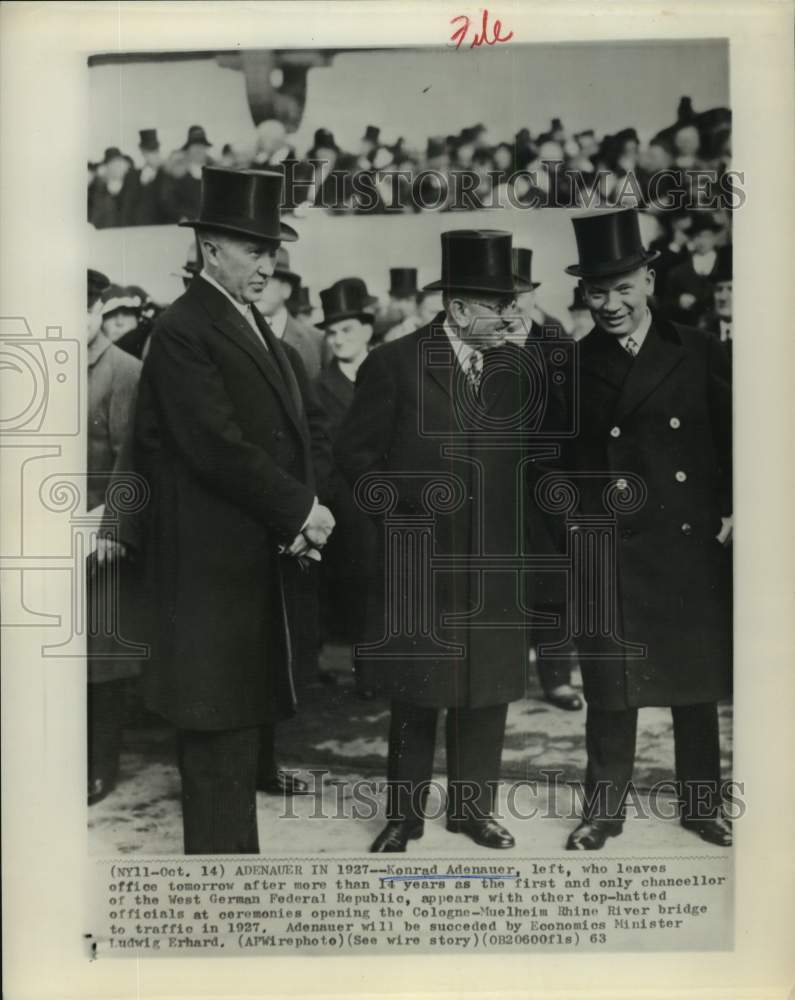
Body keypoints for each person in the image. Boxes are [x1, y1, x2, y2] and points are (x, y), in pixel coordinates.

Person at [130, 167, 336, 853]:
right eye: (254, 249)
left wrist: (298, 511)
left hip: (244, 562)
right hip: (209, 573)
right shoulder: (185, 327)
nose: (267, 263)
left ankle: (229, 879)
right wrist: (300, 510)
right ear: (211, 248)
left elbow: (292, 426)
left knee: (236, 729)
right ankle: (220, 893)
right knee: (216, 734)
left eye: (272, 250)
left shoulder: (243, 321)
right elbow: (215, 445)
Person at [336, 229, 559, 852]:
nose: (511, 314)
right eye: (497, 305)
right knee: (416, 693)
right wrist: (398, 521)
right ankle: (404, 815)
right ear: (458, 308)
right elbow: (353, 459)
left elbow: (537, 461)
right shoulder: (394, 363)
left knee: (486, 691)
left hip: (495, 566)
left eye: (512, 303)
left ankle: (472, 810)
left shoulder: (521, 368)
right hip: (421, 566)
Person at [552, 207, 732, 850]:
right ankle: (604, 810)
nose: (611, 304)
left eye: (623, 288)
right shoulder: (571, 367)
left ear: (649, 282)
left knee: (695, 685)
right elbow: (557, 469)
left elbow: (734, 440)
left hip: (686, 544)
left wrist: (733, 515)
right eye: (597, 292)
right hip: (609, 550)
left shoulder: (699, 350)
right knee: (609, 689)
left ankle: (702, 803)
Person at [507, 248, 582, 712]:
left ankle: (556, 677)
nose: (513, 306)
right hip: (494, 483)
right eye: (504, 297)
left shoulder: (556, 344)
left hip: (546, 482)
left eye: (521, 295)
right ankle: (505, 672)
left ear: (534, 296)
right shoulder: (481, 345)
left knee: (552, 585)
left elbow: (573, 420)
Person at [86, 268, 143, 804]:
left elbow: (133, 456)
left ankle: (100, 765)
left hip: (98, 530)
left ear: (93, 312)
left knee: (102, 653)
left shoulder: (124, 370)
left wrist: (113, 527)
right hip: (41, 527)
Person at [314, 280, 378, 688]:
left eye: (347, 330)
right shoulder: (319, 388)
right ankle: (368, 672)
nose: (338, 340)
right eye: (332, 333)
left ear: (368, 330)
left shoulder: (389, 371)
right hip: (349, 506)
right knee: (360, 589)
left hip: (394, 499)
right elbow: (321, 455)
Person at [255, 247, 323, 380]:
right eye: (254, 281)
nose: (258, 287)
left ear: (286, 289)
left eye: (266, 281)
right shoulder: (237, 331)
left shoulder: (317, 340)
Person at [664, 213, 724, 324]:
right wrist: (679, 301)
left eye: (707, 236)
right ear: (692, 238)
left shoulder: (725, 264)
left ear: (714, 237)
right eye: (697, 236)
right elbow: (667, 301)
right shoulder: (678, 271)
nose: (702, 241)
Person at [88, 147, 138, 228]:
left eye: (120, 164)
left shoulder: (132, 188)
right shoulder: (97, 190)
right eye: (113, 164)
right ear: (106, 167)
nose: (118, 167)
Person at [130, 128, 167, 226]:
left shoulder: (166, 174)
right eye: (148, 152)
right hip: (138, 228)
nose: (152, 155)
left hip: (161, 228)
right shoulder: (134, 176)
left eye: (155, 151)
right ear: (142, 152)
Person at [382, 268, 421, 342]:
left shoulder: (421, 325)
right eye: (397, 300)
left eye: (408, 300)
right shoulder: (390, 331)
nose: (402, 306)